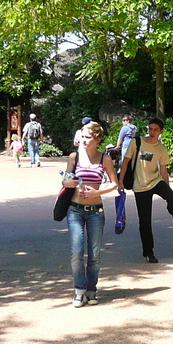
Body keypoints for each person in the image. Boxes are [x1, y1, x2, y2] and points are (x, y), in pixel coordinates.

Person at [62, 121, 119, 307]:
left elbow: (114, 183)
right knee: (76, 252)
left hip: (96, 211)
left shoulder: (105, 159)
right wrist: (67, 182)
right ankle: (79, 290)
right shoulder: (74, 157)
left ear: (97, 139)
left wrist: (97, 192)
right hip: (75, 210)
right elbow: (65, 180)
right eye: (82, 137)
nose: (83, 141)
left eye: (87, 137)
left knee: (94, 255)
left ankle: (92, 290)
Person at [118, 117, 173, 263]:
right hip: (140, 187)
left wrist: (168, 189)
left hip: (156, 181)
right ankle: (149, 252)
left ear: (161, 132)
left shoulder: (161, 148)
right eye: (150, 129)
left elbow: (163, 170)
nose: (152, 132)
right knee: (145, 222)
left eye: (156, 130)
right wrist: (120, 181)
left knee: (172, 196)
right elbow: (126, 162)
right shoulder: (136, 142)